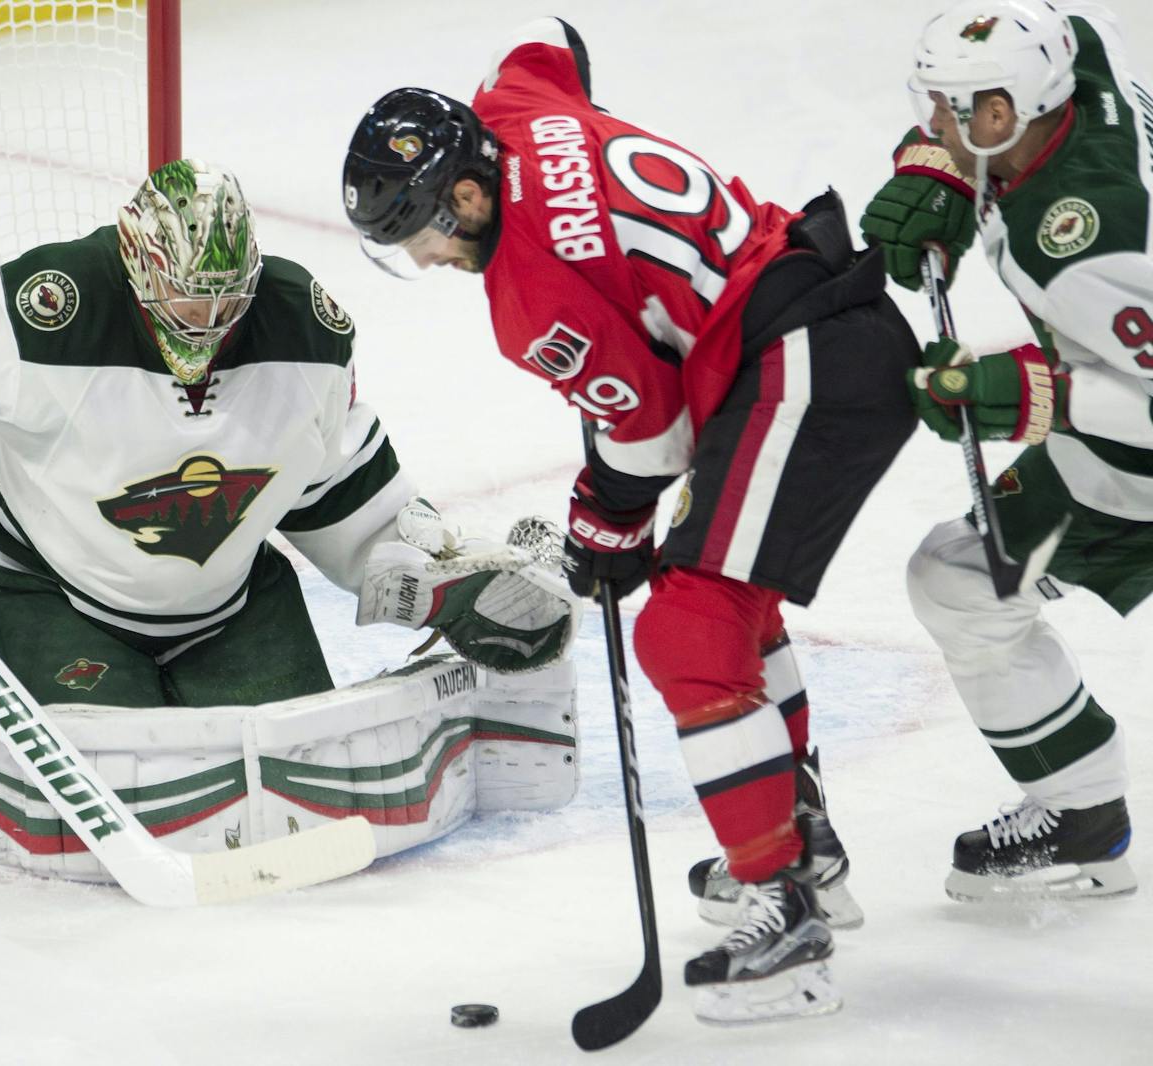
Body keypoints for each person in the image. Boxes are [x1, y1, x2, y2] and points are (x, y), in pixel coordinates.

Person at [342, 18, 919, 1023]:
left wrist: (600, 526)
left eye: (424, 232)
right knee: (730, 605)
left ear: (469, 195)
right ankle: (801, 845)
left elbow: (648, 439)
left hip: (801, 358)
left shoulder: (529, 297)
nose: (428, 257)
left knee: (683, 629)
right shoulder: (514, 104)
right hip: (813, 321)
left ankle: (785, 918)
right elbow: (546, 37)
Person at [0, 159, 574, 709]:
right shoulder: (53, 304)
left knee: (297, 754)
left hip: (229, 605)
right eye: (187, 297)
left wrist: (436, 581)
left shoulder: (300, 322)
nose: (208, 325)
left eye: (227, 299)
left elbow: (336, 488)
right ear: (137, 265)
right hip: (45, 593)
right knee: (113, 760)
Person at [859, 0, 1143, 902]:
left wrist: (1020, 392)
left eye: (949, 113)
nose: (932, 123)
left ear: (1002, 116)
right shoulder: (1073, 70)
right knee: (962, 577)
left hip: (1135, 477)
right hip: (1112, 450)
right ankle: (1082, 812)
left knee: (964, 584)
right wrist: (940, 169)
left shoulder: (1081, 240)